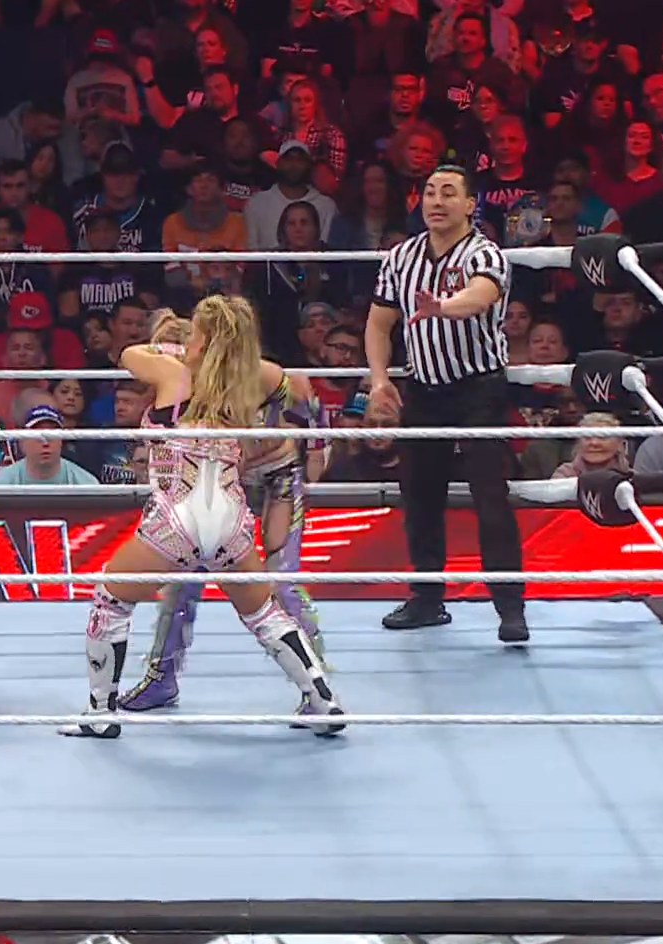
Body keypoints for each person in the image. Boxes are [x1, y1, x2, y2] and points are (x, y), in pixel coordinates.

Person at [68, 296, 343, 739]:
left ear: (202, 341)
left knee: (111, 599)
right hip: (232, 521)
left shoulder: (173, 374)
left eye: (195, 334)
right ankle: (322, 699)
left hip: (177, 517)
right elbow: (296, 388)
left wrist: (180, 350)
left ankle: (101, 713)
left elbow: (129, 355)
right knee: (264, 613)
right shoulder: (250, 379)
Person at [119, 320, 327, 710]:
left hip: (278, 478)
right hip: (225, 490)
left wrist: (316, 449)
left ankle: (316, 684)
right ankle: (161, 677)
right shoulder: (179, 391)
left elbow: (303, 392)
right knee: (183, 581)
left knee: (281, 583)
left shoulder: (250, 372)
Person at [365, 164, 527, 644]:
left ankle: (510, 608)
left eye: (449, 193)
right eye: (431, 192)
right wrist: (379, 380)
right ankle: (427, 599)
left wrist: (441, 307)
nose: (437, 201)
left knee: (490, 498)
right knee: (420, 496)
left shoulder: (485, 253)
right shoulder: (401, 257)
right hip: (423, 388)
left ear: (470, 204)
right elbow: (378, 323)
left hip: (479, 389)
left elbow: (480, 297)